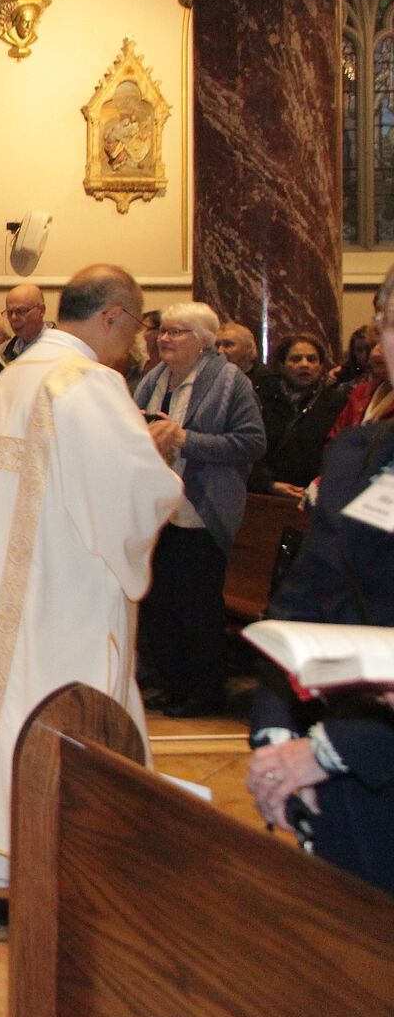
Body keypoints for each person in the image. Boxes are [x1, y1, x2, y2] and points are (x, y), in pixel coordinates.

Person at [0, 265, 181, 925]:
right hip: (64, 593)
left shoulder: (12, 380)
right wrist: (158, 453)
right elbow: (127, 493)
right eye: (134, 327)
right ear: (112, 316)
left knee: (4, 729)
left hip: (3, 586)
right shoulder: (88, 384)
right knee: (60, 728)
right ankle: (3, 870)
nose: (133, 344)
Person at [245, 266, 394, 895]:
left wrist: (331, 750)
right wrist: (276, 736)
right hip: (341, 781)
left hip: (357, 750)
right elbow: (301, 603)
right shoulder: (359, 454)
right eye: (391, 321)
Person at [132, 302, 267, 717]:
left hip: (201, 509)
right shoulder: (153, 379)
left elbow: (251, 442)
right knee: (159, 604)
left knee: (195, 606)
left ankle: (204, 692)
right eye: (163, 331)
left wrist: (184, 439)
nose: (165, 338)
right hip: (156, 509)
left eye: (176, 332)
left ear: (204, 341)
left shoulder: (229, 382)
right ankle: (173, 685)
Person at [253, 334, 344, 499]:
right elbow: (249, 448)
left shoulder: (335, 402)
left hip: (314, 495)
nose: (304, 364)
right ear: (281, 365)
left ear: (321, 366)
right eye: (296, 359)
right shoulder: (262, 398)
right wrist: (267, 484)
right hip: (266, 493)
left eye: (312, 359)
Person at [215, 321, 273, 390]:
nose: (220, 351)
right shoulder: (212, 377)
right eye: (217, 346)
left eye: (227, 345)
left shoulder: (268, 381)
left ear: (248, 347)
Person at [0, 284, 46, 361]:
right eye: (9, 312)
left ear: (41, 310)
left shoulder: (58, 348)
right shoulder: (3, 351)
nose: (14, 318)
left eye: (21, 311)